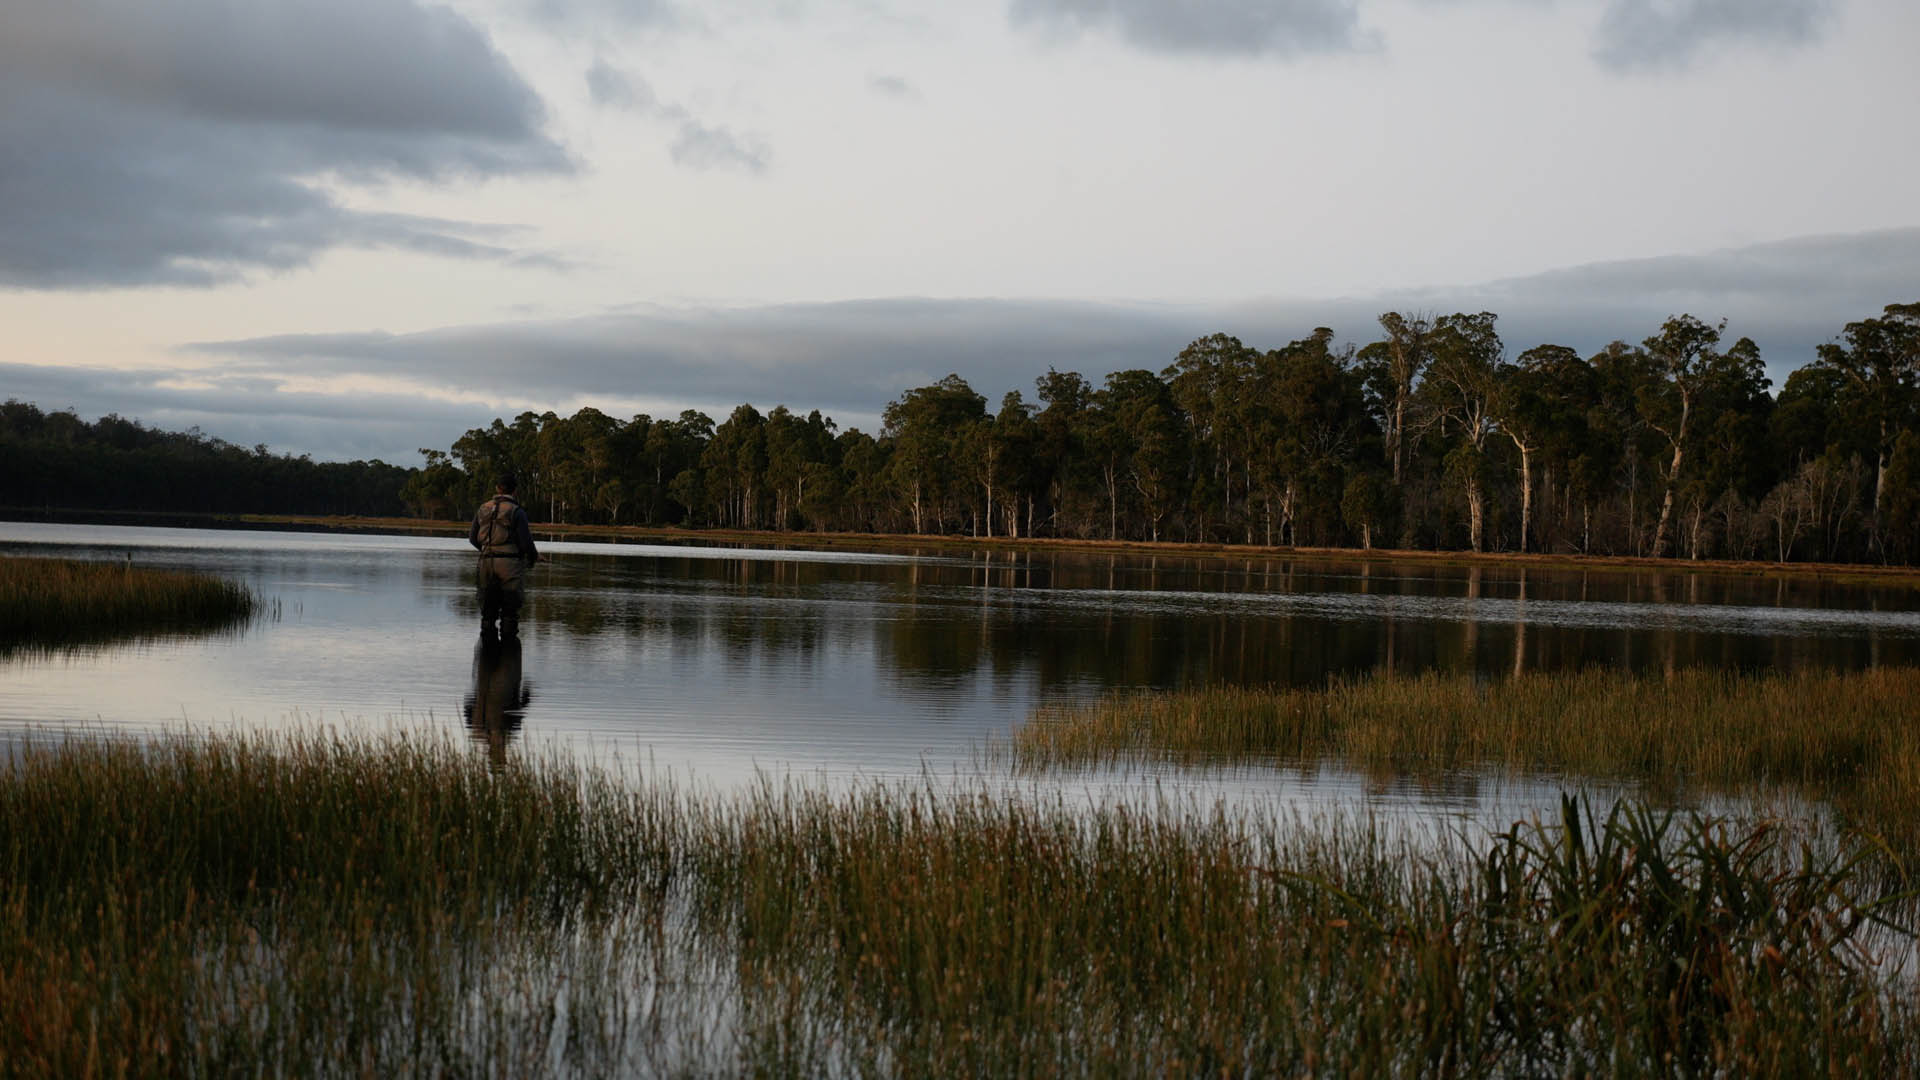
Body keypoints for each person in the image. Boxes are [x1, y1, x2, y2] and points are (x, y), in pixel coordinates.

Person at [469, 472, 539, 638]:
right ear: (515, 491)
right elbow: (526, 542)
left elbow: (472, 538)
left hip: (486, 563)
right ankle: (508, 655)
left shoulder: (483, 508)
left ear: (497, 488)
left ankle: (488, 655)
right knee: (509, 612)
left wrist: (488, 550)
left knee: (487, 612)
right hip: (510, 566)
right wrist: (532, 557)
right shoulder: (516, 511)